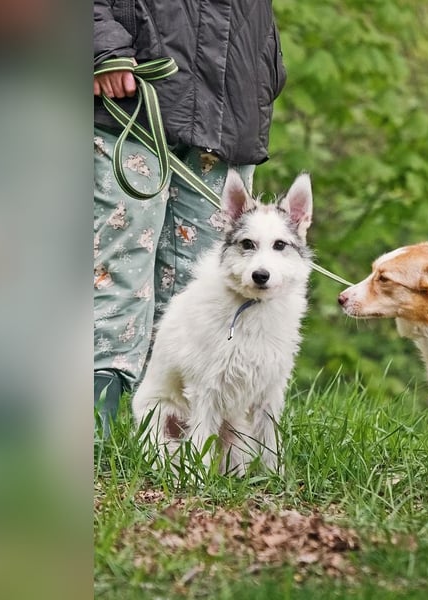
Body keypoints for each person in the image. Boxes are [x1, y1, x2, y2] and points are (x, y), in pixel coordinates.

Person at [93, 0, 287, 436]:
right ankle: (91, 432)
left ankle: (167, 442)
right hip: (129, 103)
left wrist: (264, 71)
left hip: (228, 116)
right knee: (118, 268)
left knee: (205, 287)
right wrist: (99, 47)